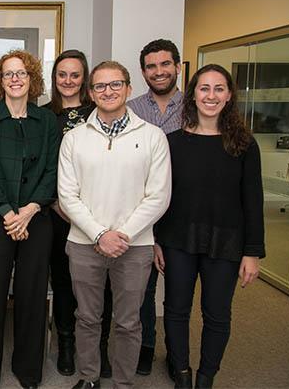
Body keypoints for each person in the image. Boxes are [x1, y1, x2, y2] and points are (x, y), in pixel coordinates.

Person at [58, 61, 171, 389]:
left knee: (128, 322)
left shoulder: (152, 137)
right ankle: (89, 376)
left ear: (128, 89)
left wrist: (121, 234)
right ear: (91, 93)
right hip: (84, 244)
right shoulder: (75, 139)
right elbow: (67, 195)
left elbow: (158, 196)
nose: (108, 91)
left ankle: (123, 383)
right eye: (100, 86)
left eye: (115, 85)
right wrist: (98, 233)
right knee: (87, 318)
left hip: (134, 246)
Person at [154, 64, 264, 389]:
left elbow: (253, 202)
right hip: (177, 239)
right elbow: (161, 197)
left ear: (229, 96)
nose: (211, 96)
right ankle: (182, 374)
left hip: (226, 243)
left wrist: (253, 253)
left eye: (219, 89)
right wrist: (157, 240)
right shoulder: (171, 143)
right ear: (193, 95)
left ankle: (206, 377)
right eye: (204, 88)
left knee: (217, 315)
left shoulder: (245, 145)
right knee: (175, 310)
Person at [0, 49, 59, 389]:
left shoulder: (47, 121)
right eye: (8, 74)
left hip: (36, 220)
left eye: (21, 73)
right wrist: (9, 213)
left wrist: (31, 209)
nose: (15, 79)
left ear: (32, 78)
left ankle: (28, 370)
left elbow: (53, 171)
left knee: (32, 297)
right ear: (0, 80)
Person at [41, 49, 114, 378]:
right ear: (54, 79)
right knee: (64, 281)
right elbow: (41, 165)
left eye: (74, 75)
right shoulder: (42, 116)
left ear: (84, 79)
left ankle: (99, 347)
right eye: (61, 75)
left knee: (102, 284)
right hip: (56, 213)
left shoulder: (101, 113)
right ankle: (67, 344)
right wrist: (58, 203)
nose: (67, 81)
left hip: (98, 216)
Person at [126, 38, 184, 375]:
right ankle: (146, 347)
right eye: (151, 66)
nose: (159, 72)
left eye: (165, 65)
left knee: (178, 293)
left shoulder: (196, 106)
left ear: (177, 66)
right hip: (143, 210)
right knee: (142, 289)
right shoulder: (131, 108)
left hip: (182, 211)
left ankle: (177, 357)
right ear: (143, 72)